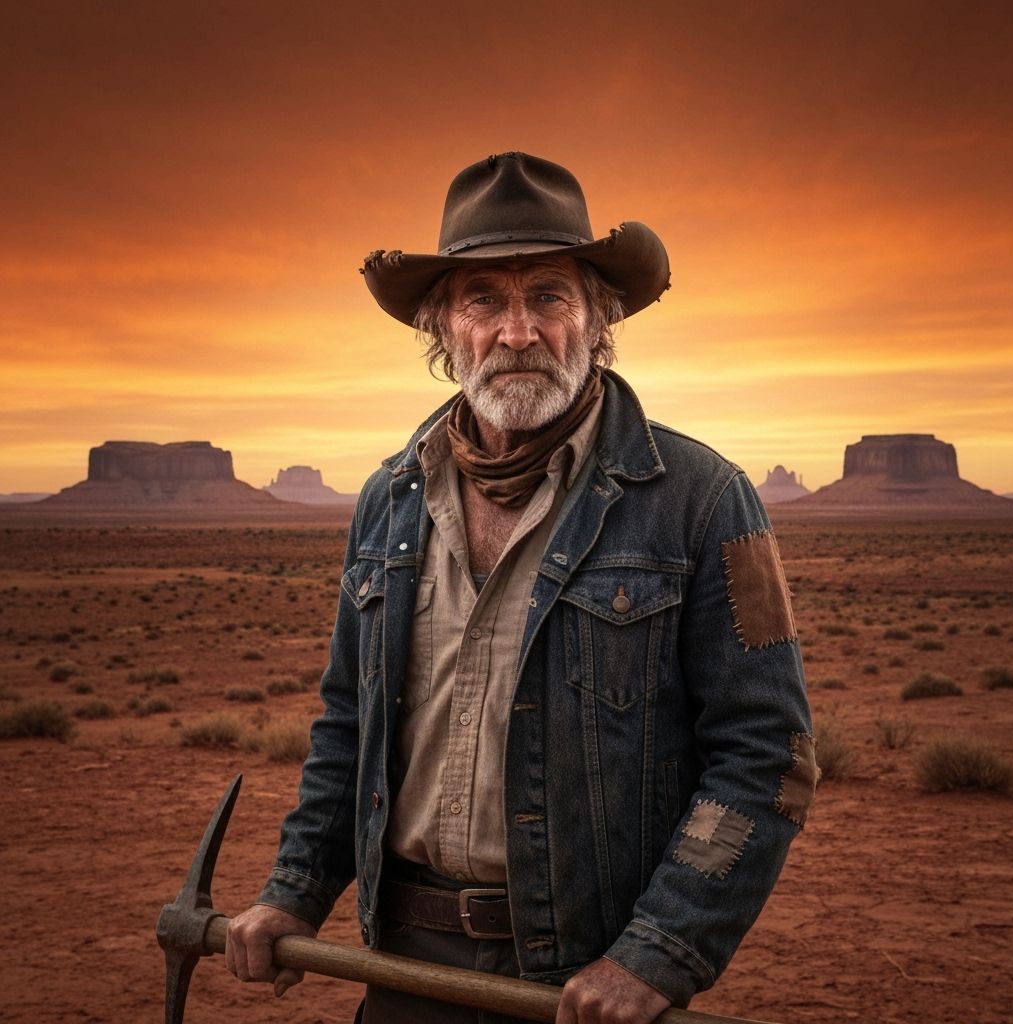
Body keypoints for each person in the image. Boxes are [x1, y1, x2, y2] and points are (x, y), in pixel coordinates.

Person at [224, 152, 817, 1024]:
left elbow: (768, 756)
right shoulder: (391, 499)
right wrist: (295, 888)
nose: (517, 332)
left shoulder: (704, 501)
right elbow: (351, 722)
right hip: (406, 970)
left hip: (585, 982)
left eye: (548, 295)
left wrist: (658, 953)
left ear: (598, 319)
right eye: (483, 301)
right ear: (443, 329)